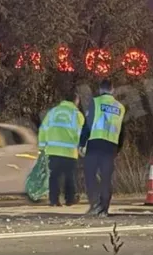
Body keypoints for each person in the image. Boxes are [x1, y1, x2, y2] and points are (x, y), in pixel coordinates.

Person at [80, 79, 126, 217]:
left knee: (90, 175)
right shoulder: (120, 107)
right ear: (112, 90)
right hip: (110, 146)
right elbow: (122, 130)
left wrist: (82, 143)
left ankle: (95, 205)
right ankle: (104, 209)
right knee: (106, 178)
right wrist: (118, 148)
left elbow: (88, 125)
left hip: (95, 143)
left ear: (100, 90)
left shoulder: (96, 102)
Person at [38, 90, 84, 207]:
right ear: (75, 101)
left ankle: (54, 200)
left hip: (53, 151)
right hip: (69, 151)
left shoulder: (52, 112)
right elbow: (81, 134)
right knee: (69, 175)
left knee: (54, 176)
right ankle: (70, 199)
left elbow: (43, 129)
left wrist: (42, 146)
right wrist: (83, 148)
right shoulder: (76, 114)